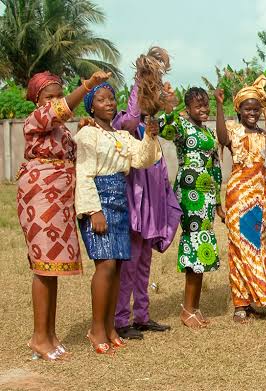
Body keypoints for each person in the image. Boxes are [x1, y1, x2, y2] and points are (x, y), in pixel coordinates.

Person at [18, 70, 109, 360]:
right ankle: (39, 337)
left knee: (51, 269)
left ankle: (49, 333)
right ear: (36, 101)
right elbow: (59, 111)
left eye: (59, 94)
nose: (56, 101)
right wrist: (88, 86)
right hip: (40, 197)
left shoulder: (62, 131)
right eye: (49, 96)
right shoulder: (34, 121)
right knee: (43, 269)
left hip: (59, 200)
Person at [75, 82, 162, 354]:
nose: (109, 103)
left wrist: (150, 136)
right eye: (101, 100)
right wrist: (94, 210)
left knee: (118, 268)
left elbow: (143, 160)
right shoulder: (87, 134)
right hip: (99, 201)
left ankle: (110, 326)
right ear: (91, 106)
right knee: (106, 266)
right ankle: (96, 329)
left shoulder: (122, 136)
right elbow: (83, 174)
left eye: (111, 98)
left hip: (120, 201)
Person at [113, 48, 180, 340]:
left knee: (144, 256)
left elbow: (169, 128)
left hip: (154, 175)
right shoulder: (134, 102)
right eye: (152, 73)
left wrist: (166, 108)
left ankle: (141, 314)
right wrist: (144, 101)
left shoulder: (155, 109)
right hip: (137, 178)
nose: (156, 79)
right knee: (132, 252)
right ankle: (120, 318)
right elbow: (126, 122)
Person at [160, 87, 223, 328]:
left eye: (205, 104)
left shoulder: (207, 132)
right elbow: (164, 129)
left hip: (206, 196)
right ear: (187, 109)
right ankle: (187, 310)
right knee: (195, 244)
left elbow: (216, 166)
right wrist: (169, 107)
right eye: (198, 106)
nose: (204, 109)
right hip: (189, 193)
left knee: (202, 245)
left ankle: (194, 308)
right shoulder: (181, 126)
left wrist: (218, 201)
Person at [215, 76, 266, 323]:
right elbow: (220, 137)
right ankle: (242, 304)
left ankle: (257, 295)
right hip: (238, 193)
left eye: (256, 109)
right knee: (238, 248)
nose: (252, 113)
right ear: (238, 109)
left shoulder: (263, 133)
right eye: (247, 109)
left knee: (257, 244)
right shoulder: (233, 129)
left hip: (261, 195)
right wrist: (218, 106)